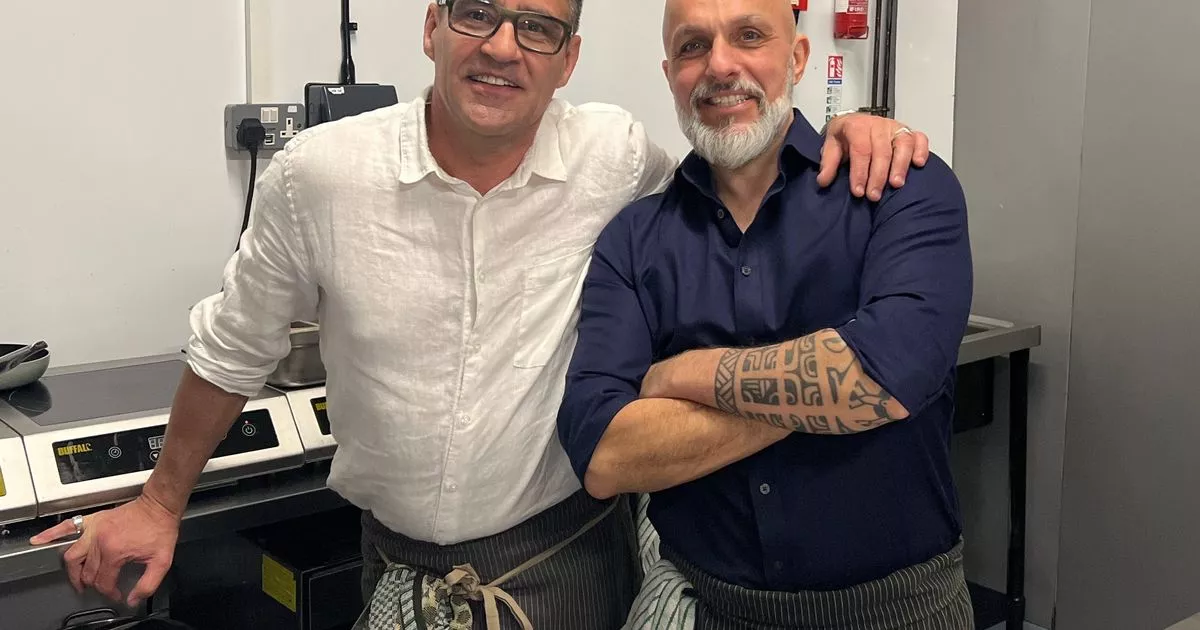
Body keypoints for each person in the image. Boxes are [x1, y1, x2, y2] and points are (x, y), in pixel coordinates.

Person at [30, 0, 929, 628]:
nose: (503, 46)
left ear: (568, 59)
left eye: (538, 27)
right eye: (477, 13)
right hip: (395, 570)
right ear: (432, 27)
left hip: (570, 567)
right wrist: (160, 501)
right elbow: (234, 349)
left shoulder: (614, 159)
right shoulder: (319, 177)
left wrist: (847, 128)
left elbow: (736, 161)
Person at [556, 0, 975, 628]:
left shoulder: (901, 186)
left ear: (798, 58)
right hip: (706, 608)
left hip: (900, 610)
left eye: (749, 36)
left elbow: (887, 376)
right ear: (669, 72)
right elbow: (605, 455)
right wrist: (829, 391)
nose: (720, 65)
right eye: (693, 46)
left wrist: (680, 375)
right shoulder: (633, 240)